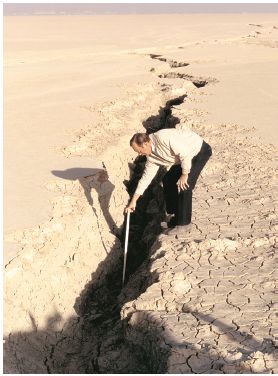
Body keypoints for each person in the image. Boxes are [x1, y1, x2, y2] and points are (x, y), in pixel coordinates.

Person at [125, 128, 212, 228]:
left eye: (139, 151)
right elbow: (146, 178)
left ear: (145, 144)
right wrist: (134, 200)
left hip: (198, 151)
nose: (139, 154)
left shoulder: (163, 138)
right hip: (181, 159)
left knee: (184, 185)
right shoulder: (151, 157)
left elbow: (185, 153)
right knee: (168, 180)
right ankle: (174, 216)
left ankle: (183, 224)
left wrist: (184, 174)